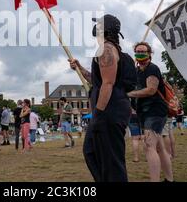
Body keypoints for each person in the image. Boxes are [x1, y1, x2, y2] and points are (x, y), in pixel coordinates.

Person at [69, 14, 136, 182]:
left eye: (99, 25)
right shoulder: (111, 50)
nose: (96, 28)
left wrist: (97, 114)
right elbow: (98, 80)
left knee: (111, 160)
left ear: (105, 29)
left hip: (108, 111)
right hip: (112, 109)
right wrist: (79, 68)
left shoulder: (106, 50)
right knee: (91, 151)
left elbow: (107, 84)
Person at [128, 41, 174, 182]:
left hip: (155, 112)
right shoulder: (135, 71)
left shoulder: (152, 69)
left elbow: (151, 89)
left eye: (143, 51)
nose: (140, 54)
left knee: (149, 146)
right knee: (159, 148)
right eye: (138, 51)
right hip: (144, 113)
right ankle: (169, 179)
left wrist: (129, 94)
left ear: (150, 54)